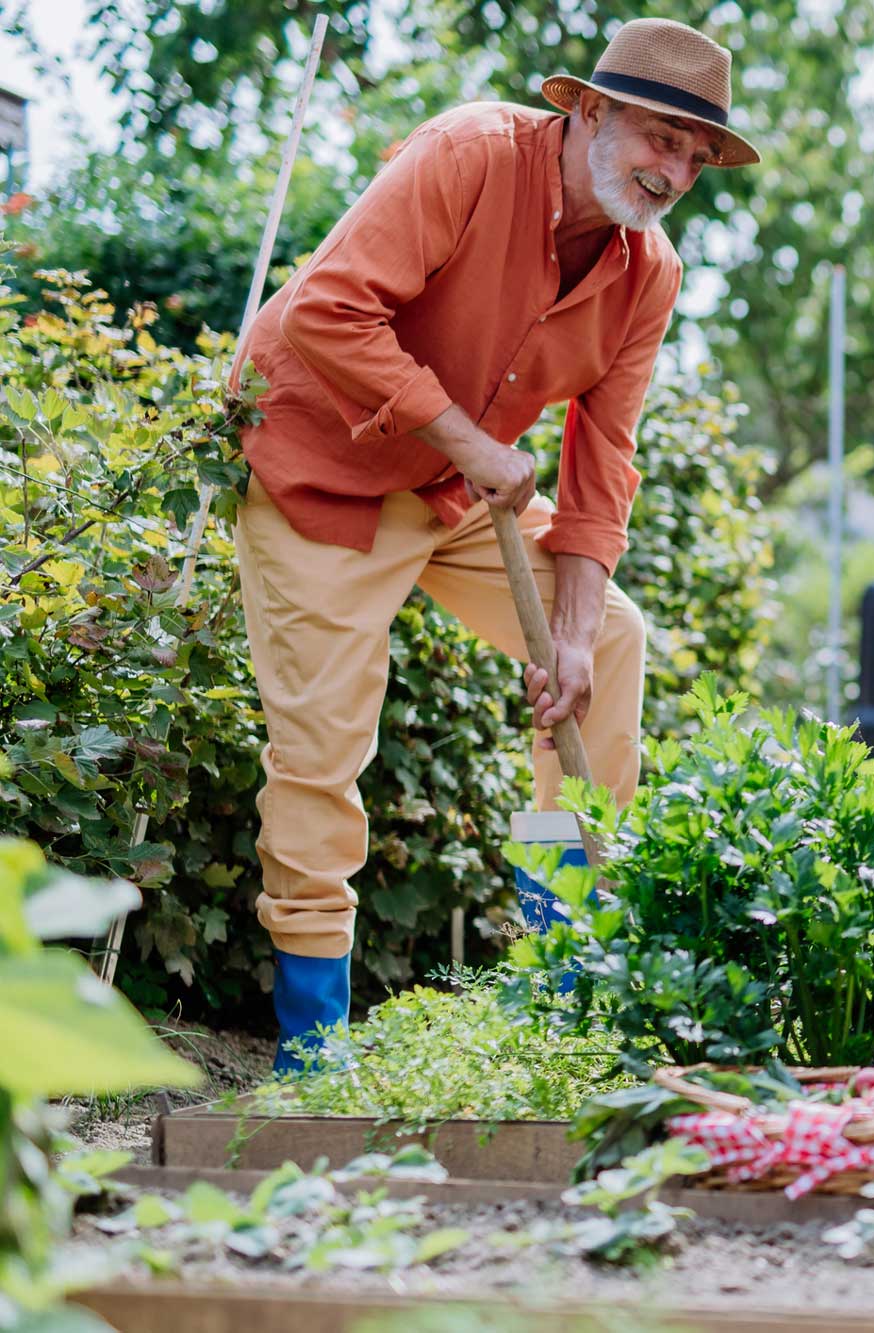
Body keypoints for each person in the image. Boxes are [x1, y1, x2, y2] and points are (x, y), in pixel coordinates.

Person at [228, 18, 761, 1071]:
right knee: (325, 744)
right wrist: (471, 442)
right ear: (590, 111)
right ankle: (313, 1044)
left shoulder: (646, 273)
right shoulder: (470, 155)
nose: (675, 171)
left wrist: (561, 632)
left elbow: (603, 459)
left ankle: (561, 982)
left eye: (696, 157)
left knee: (606, 640)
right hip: (316, 470)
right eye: (661, 137)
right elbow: (326, 314)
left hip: (444, 489)